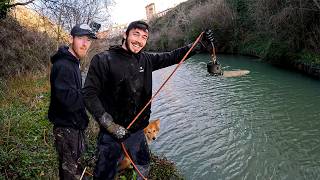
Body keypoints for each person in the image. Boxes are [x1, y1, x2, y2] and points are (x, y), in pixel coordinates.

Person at [82, 20, 214, 179]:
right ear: (125, 35)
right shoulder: (103, 60)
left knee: (143, 165)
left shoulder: (146, 60)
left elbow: (173, 56)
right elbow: (89, 93)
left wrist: (198, 45)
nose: (139, 40)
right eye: (135, 34)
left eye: (144, 37)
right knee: (104, 173)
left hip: (138, 131)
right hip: (111, 134)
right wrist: (109, 124)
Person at [48, 23, 97, 180]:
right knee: (69, 174)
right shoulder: (63, 65)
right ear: (71, 39)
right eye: (80, 38)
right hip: (66, 129)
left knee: (77, 170)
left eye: (88, 40)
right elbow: (68, 101)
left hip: (74, 127)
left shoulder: (73, 61)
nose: (85, 44)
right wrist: (92, 93)